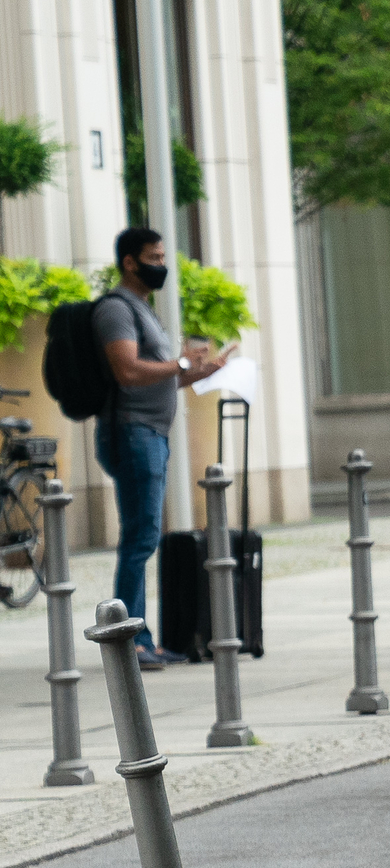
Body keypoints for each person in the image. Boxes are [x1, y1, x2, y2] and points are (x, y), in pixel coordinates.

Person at [94, 227, 214, 669]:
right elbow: (127, 370)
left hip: (149, 434)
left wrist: (198, 370)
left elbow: (162, 374)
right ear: (130, 261)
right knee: (140, 538)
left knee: (143, 536)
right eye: (155, 257)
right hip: (132, 433)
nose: (162, 265)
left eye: (164, 256)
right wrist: (180, 362)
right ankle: (133, 641)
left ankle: (139, 637)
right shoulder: (116, 310)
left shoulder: (143, 310)